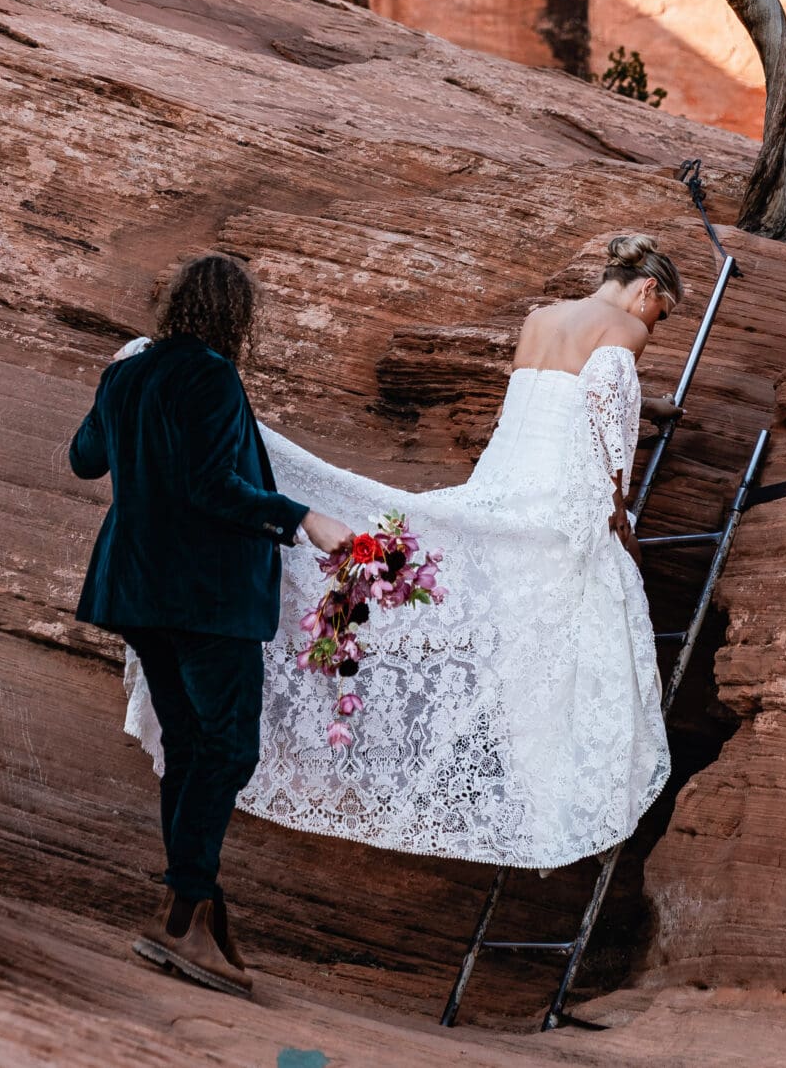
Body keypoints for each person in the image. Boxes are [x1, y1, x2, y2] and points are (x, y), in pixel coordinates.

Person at [121, 232, 681, 873]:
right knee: (573, 646)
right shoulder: (625, 329)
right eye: (659, 317)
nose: (652, 332)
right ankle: (552, 813)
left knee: (517, 645)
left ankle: (534, 803)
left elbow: (552, 396)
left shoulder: (542, 318)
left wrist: (647, 401)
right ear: (647, 291)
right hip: (559, 504)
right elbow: (609, 434)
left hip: (505, 486)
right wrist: (618, 520)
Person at [70, 252, 350, 998]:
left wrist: (113, 385)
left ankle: (187, 905)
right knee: (227, 747)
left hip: (135, 590)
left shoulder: (128, 372)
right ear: (236, 317)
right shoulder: (215, 377)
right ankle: (186, 908)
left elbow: (84, 458)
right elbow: (213, 487)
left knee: (192, 745)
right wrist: (305, 518)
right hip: (204, 597)